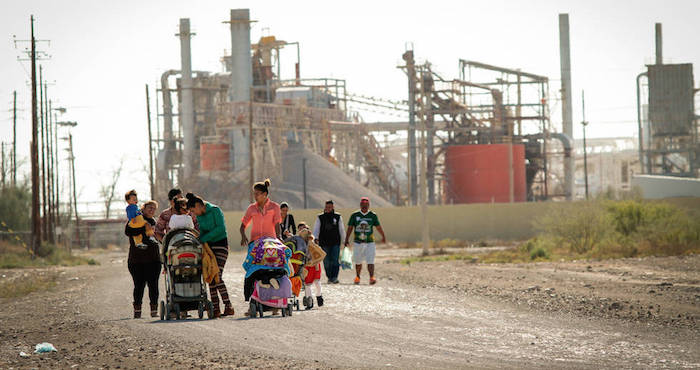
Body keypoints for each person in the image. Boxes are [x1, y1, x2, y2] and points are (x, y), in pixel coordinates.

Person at [186, 192, 234, 318]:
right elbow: (202, 231)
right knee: (210, 277)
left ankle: (228, 306)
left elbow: (220, 229)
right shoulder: (199, 216)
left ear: (198, 205)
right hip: (208, 248)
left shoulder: (215, 210)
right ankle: (215, 309)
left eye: (193, 210)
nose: (193, 213)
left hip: (221, 246)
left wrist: (204, 237)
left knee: (217, 274)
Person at [240, 178, 282, 316]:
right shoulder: (251, 208)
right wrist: (243, 235)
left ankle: (276, 303)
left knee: (274, 271)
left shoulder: (274, 207)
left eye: (257, 193)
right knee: (253, 272)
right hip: (255, 244)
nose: (255, 196)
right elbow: (243, 224)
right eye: (254, 193)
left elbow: (277, 224)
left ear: (265, 194)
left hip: (271, 244)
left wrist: (279, 239)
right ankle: (252, 303)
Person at [124, 200, 161, 318]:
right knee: (139, 286)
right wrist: (144, 227)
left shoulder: (155, 223)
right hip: (137, 261)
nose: (152, 210)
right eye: (149, 208)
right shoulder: (135, 220)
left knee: (153, 285)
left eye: (154, 209)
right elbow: (128, 231)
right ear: (143, 208)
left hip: (153, 260)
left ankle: (154, 310)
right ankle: (137, 310)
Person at [344, 197, 386, 285]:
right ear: (360, 205)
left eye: (366, 205)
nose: (364, 207)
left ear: (368, 206)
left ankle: (371, 277)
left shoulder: (372, 215)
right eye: (362, 205)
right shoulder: (354, 215)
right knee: (358, 261)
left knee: (370, 260)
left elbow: (378, 226)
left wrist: (383, 236)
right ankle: (357, 277)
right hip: (358, 242)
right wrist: (346, 239)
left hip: (370, 242)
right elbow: (350, 228)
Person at [312, 200, 345, 284]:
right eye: (327, 207)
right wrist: (315, 238)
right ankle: (329, 277)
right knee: (326, 261)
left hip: (335, 242)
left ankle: (334, 277)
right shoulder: (320, 217)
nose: (328, 208)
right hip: (324, 243)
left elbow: (341, 229)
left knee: (335, 260)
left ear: (333, 207)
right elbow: (316, 229)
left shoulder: (338, 217)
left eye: (330, 207)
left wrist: (344, 240)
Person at [299, 222, 323, 308]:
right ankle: (309, 301)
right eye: (301, 229)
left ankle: (319, 296)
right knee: (307, 284)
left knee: (317, 282)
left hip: (315, 264)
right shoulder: (299, 241)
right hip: (306, 265)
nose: (304, 230)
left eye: (305, 228)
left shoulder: (311, 240)